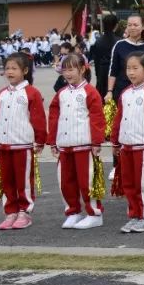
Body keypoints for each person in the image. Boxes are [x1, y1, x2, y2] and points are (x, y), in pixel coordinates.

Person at [48, 53, 105, 230]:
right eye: (64, 70)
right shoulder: (61, 93)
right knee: (65, 181)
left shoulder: (90, 92)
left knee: (86, 181)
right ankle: (72, 211)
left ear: (82, 69)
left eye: (71, 69)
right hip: (64, 145)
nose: (67, 73)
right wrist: (52, 141)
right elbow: (53, 117)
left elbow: (97, 118)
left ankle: (94, 213)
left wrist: (96, 142)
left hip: (84, 145)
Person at [111, 51, 144, 234]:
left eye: (135, 68)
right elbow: (119, 118)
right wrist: (115, 141)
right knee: (129, 183)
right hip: (127, 146)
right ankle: (134, 214)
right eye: (128, 68)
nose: (131, 72)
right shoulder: (126, 93)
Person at [0, 52, 47, 231]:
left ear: (24, 70)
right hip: (4, 144)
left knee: (23, 180)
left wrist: (40, 140)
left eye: (14, 68)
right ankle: (10, 212)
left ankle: (24, 211)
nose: (10, 72)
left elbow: (38, 118)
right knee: (6, 180)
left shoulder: (31, 93)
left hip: (23, 144)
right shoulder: (2, 93)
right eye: (7, 68)